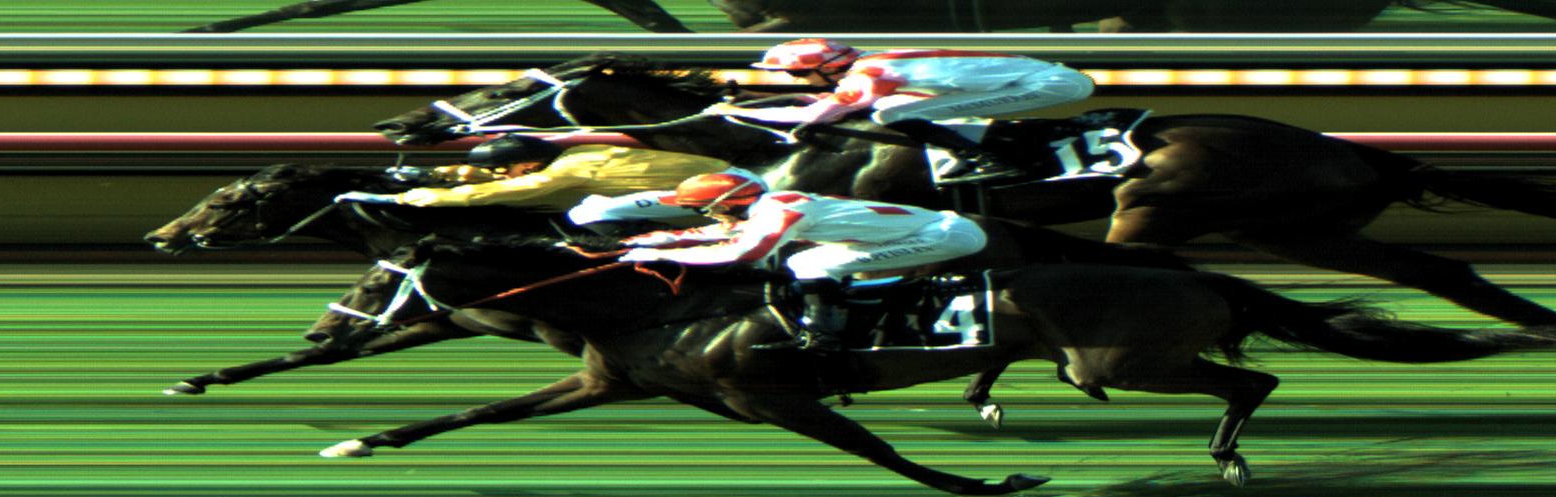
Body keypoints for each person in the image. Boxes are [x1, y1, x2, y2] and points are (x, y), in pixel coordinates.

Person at [578, 173, 997, 350]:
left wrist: (659, 253)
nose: (706, 216)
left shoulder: (779, 211)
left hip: (945, 236)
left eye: (706, 209)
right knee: (812, 261)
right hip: (924, 229)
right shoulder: (770, 204)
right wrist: (650, 242)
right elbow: (724, 234)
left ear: (728, 202)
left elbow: (745, 251)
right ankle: (852, 308)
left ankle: (823, 334)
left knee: (812, 266)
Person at [708, 38, 1097, 182]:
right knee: (896, 107)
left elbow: (822, 113)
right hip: (1041, 77)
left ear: (827, 66)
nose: (797, 81)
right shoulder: (872, 62)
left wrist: (736, 114)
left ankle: (985, 158)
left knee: (889, 115)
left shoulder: (870, 72)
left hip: (1051, 84)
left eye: (797, 74)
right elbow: (824, 103)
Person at [338, 135, 738, 212]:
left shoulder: (565, 171)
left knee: (591, 213)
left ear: (528, 164)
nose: (499, 175)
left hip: (725, 195)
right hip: (725, 177)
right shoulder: (576, 153)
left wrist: (402, 198)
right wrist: (439, 174)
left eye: (502, 168)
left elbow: (500, 192)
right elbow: (503, 179)